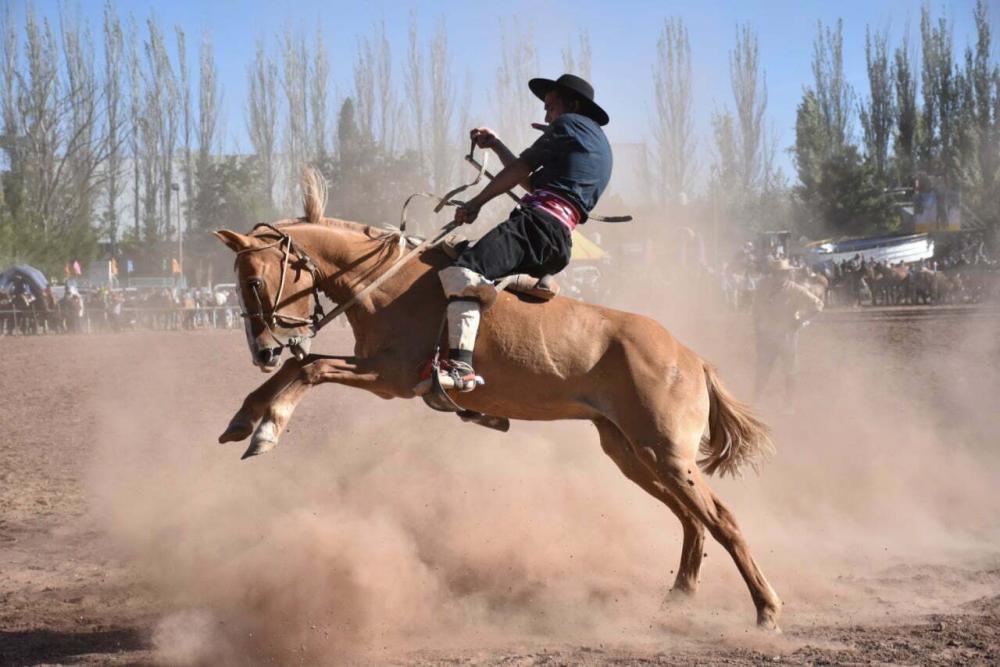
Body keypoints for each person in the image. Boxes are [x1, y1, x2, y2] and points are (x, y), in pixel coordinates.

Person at [417, 73, 613, 394]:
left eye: (550, 107)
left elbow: (521, 169)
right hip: (556, 240)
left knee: (463, 272)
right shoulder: (593, 143)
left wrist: (476, 203)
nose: (546, 115)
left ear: (573, 105)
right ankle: (532, 282)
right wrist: (495, 146)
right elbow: (531, 181)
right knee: (466, 259)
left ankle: (461, 369)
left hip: (535, 227)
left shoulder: (570, 125)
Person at [752, 258, 824, 407]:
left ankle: (789, 404)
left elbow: (817, 304)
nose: (779, 276)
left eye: (782, 273)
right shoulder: (763, 287)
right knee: (763, 370)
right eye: (776, 273)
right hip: (767, 336)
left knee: (790, 372)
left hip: (787, 336)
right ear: (772, 273)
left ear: (787, 274)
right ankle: (755, 401)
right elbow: (756, 308)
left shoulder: (794, 289)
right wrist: (758, 325)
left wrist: (801, 320)